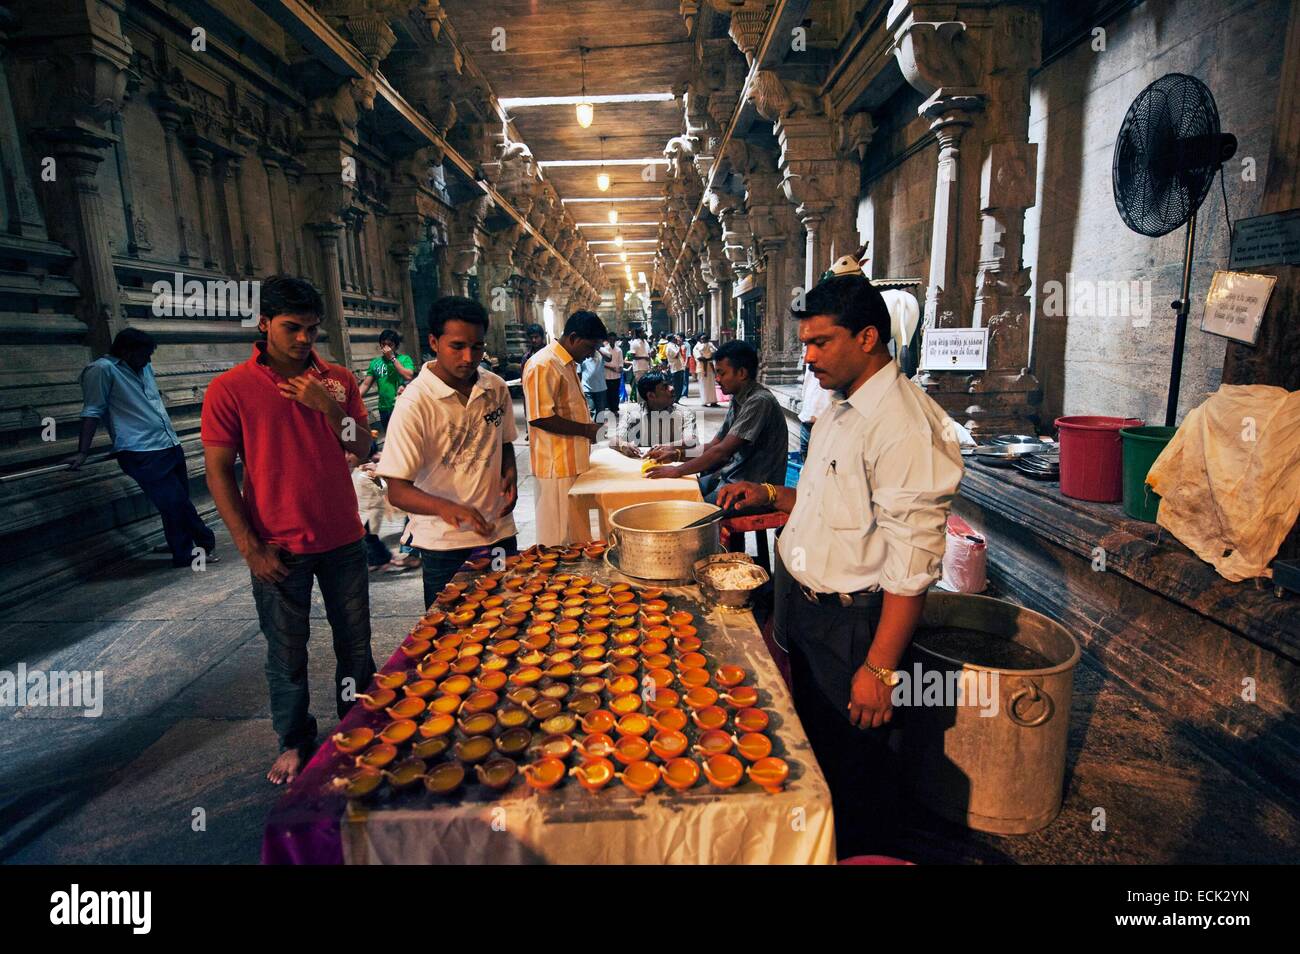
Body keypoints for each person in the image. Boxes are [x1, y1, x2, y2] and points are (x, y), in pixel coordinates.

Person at [716, 274, 963, 857]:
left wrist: (879, 669)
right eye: (805, 342)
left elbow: (912, 564)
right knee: (814, 749)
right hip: (802, 610)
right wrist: (772, 496)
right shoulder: (841, 407)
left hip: (853, 626)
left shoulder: (904, 427)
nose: (808, 356)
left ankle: (863, 848)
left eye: (822, 342)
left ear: (870, 337)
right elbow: (833, 506)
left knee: (858, 768)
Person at [201, 275, 376, 785]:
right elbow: (218, 470)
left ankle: (357, 724)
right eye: (291, 328)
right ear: (264, 324)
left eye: (312, 330)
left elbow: (363, 448)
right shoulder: (231, 388)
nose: (303, 339)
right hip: (278, 544)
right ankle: (295, 740)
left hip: (342, 537)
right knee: (286, 652)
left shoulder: (338, 379)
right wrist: (248, 546)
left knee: (356, 645)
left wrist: (330, 409)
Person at [377, 296, 520, 610]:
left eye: (478, 347)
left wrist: (510, 473)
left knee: (508, 619)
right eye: (457, 346)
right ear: (433, 342)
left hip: (499, 533)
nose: (469, 358)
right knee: (452, 634)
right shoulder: (415, 403)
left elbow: (504, 441)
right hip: (445, 545)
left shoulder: (495, 388)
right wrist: (448, 508)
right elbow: (397, 491)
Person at [71, 328, 218, 568]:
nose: (149, 360)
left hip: (168, 442)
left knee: (176, 501)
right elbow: (92, 411)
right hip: (139, 450)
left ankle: (182, 549)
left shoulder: (143, 367)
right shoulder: (101, 370)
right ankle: (201, 541)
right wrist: (82, 451)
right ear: (127, 351)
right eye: (145, 354)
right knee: (174, 502)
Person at [647, 339, 787, 505]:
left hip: (753, 486)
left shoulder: (759, 401)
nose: (717, 379)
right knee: (678, 492)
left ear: (742, 373)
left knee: (690, 512)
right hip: (731, 476)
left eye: (722, 373)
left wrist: (677, 470)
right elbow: (715, 443)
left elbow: (721, 452)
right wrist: (676, 454)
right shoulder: (738, 398)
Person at [523, 310, 608, 546]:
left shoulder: (567, 363)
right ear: (573, 338)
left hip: (571, 462)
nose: (592, 354)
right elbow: (540, 417)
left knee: (574, 533)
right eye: (590, 347)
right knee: (557, 536)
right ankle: (556, 580)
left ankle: (573, 579)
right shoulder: (544, 364)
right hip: (555, 467)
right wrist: (586, 430)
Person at [611, 370, 699, 461]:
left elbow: (691, 440)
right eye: (665, 387)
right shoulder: (633, 413)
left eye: (670, 384)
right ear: (651, 396)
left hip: (674, 467)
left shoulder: (684, 413)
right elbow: (614, 440)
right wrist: (623, 445)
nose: (671, 388)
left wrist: (668, 447)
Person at [358, 329, 416, 430]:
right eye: (383, 344)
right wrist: (353, 397)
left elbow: (408, 375)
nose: (386, 348)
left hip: (401, 406)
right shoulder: (375, 363)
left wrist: (392, 358)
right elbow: (366, 384)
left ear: (396, 346)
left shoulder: (404, 359)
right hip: (384, 408)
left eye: (390, 345)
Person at [349, 450, 392, 572]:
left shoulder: (367, 472)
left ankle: (383, 558)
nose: (347, 456)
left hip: (370, 511)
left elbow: (383, 488)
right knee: (369, 537)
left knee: (369, 537)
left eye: (350, 454)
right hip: (363, 511)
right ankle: (378, 559)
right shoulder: (357, 471)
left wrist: (377, 476)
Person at [798, 362, 833, 457]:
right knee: (805, 458)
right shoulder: (811, 363)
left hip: (826, 422)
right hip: (807, 418)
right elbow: (807, 385)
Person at [520, 323, 547, 441]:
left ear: (542, 337)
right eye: (531, 338)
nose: (534, 340)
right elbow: (523, 376)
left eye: (536, 337)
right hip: (531, 392)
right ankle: (531, 431)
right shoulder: (526, 357)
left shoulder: (549, 354)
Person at [579, 346, 606, 419]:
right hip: (587, 389)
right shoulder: (582, 355)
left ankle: (600, 429)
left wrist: (598, 347)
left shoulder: (601, 353)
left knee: (601, 412)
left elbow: (609, 357)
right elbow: (579, 373)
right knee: (590, 411)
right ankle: (592, 429)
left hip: (601, 388)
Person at [693, 336, 719, 407]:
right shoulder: (696, 347)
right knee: (703, 385)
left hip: (710, 368)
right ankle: (704, 401)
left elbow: (715, 352)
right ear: (699, 339)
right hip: (702, 369)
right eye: (702, 339)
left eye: (705, 339)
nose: (703, 340)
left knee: (712, 385)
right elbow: (700, 358)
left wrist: (709, 357)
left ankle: (713, 401)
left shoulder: (710, 344)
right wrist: (709, 358)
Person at [602, 333, 624, 414]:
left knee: (615, 392)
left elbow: (621, 361)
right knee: (609, 393)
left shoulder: (619, 350)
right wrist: (611, 368)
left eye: (613, 339)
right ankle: (611, 408)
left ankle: (615, 408)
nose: (612, 340)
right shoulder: (604, 350)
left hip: (616, 375)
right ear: (608, 339)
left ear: (615, 340)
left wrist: (620, 368)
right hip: (607, 375)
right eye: (610, 339)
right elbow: (603, 364)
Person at [665, 334, 687, 401]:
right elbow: (676, 355)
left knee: (680, 384)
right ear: (672, 339)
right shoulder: (669, 346)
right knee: (676, 385)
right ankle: (674, 399)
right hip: (675, 368)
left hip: (679, 367)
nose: (677, 339)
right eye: (675, 338)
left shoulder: (674, 345)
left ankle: (677, 399)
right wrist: (680, 346)